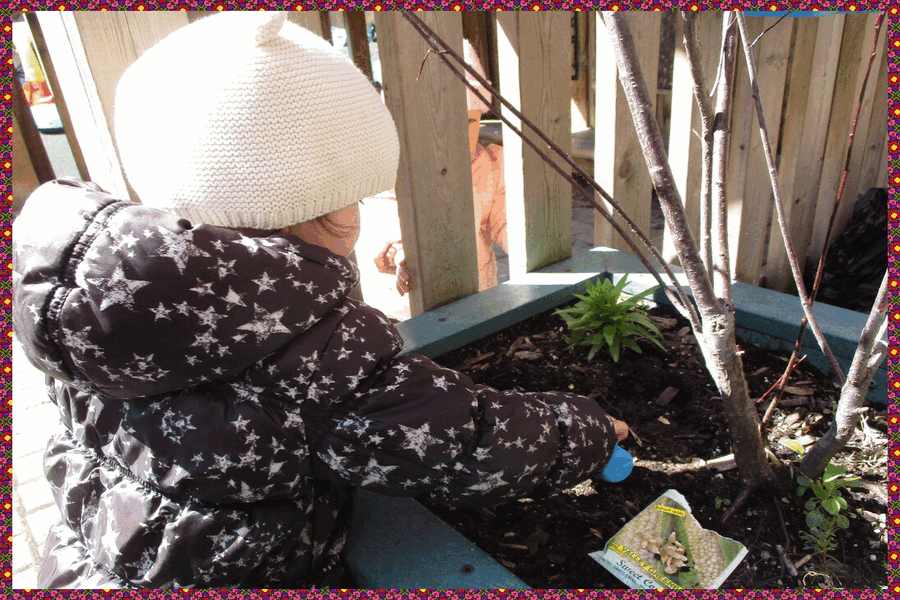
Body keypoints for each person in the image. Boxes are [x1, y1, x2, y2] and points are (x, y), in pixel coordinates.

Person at [12, 12, 627, 589]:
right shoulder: (309, 351)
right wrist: (588, 431)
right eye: (356, 193)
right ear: (320, 209)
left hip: (84, 559)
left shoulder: (90, 299)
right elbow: (467, 442)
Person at [369, 40, 507, 298]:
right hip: (415, 299)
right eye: (435, 125)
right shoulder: (394, 175)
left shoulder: (488, 166)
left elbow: (505, 221)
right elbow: (389, 227)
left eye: (467, 120)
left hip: (477, 290)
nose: (453, 137)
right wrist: (401, 253)